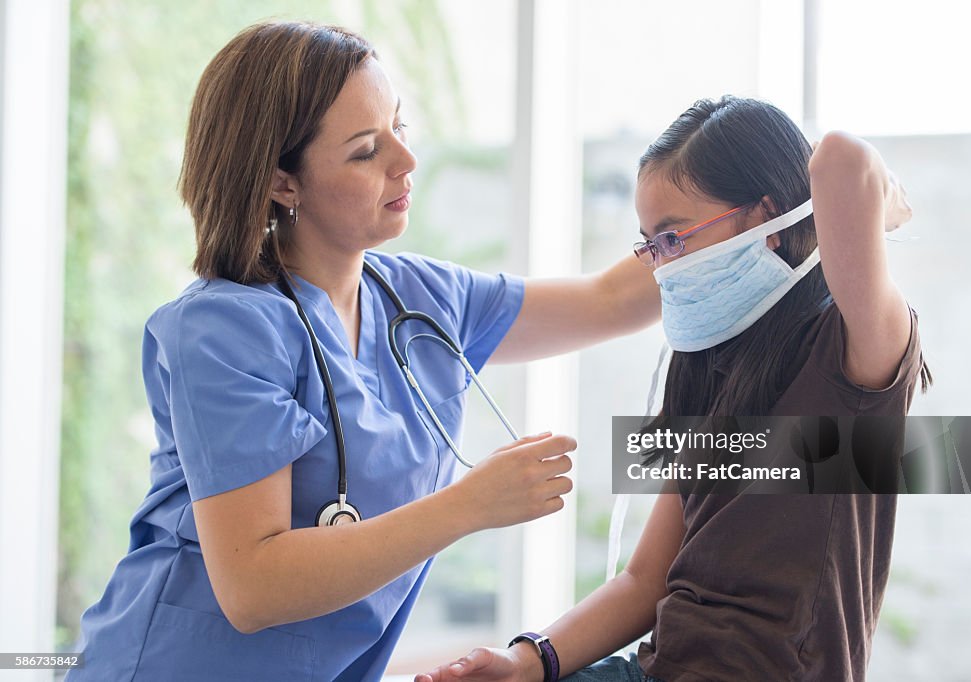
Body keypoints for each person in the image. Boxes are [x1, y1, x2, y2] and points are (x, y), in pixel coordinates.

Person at [68, 21, 661, 681]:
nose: (406, 162)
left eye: (400, 129)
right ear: (282, 184)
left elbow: (613, 300)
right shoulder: (223, 330)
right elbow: (252, 587)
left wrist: (768, 219)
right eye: (365, 150)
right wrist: (469, 504)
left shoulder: (419, 298)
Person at [415, 96, 931, 682]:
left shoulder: (853, 352)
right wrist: (526, 661)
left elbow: (843, 159)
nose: (661, 265)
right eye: (650, 244)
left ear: (765, 217)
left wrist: (881, 209)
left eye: (674, 237)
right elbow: (644, 582)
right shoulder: (704, 364)